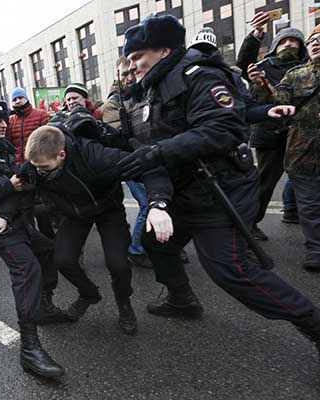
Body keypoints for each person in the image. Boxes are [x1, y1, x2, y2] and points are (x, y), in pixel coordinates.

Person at [116, 15, 320, 356]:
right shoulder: (147, 89)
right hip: (181, 191)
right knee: (156, 242)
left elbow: (221, 128)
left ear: (164, 50)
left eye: (138, 57)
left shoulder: (200, 75)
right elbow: (144, 138)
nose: (132, 65)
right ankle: (182, 299)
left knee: (232, 271)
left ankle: (312, 323)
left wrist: (155, 154)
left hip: (218, 187)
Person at [24, 125, 175, 334]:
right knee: (63, 259)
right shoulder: (35, 164)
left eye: (44, 168)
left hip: (108, 210)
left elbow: (148, 166)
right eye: (36, 167)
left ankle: (124, 303)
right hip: (75, 213)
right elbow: (18, 186)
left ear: (61, 155)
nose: (39, 172)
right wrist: (1, 216)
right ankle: (88, 294)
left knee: (119, 265)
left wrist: (158, 203)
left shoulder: (97, 155)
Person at [0, 100, 66, 378]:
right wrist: (7, 184)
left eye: (4, 120)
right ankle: (29, 348)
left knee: (47, 250)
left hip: (15, 218)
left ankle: (43, 305)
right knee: (26, 268)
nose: (3, 124)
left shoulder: (3, 149)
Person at [248, 24, 320, 271]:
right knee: (300, 197)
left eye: (295, 41)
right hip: (294, 145)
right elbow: (274, 101)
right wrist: (260, 84)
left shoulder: (296, 68)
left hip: (296, 142)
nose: (289, 45)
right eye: (313, 40)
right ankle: (316, 250)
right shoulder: (293, 74)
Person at [238, 12, 307, 238]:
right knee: (265, 183)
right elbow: (243, 63)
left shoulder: (306, 69)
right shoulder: (263, 66)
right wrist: (257, 34)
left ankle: (294, 213)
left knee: (306, 180)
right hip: (271, 135)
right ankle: (248, 223)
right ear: (275, 45)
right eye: (284, 41)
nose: (289, 44)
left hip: (302, 136)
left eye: (294, 41)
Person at [101, 57, 153, 269]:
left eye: (132, 72)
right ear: (118, 76)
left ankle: (158, 244)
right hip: (133, 162)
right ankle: (136, 249)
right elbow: (120, 137)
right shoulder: (113, 103)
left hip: (151, 158)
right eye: (124, 74)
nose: (129, 77)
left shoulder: (147, 93)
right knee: (146, 205)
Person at [7, 87, 55, 239]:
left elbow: (48, 139)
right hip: (20, 171)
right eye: (14, 99)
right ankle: (33, 240)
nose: (18, 101)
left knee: (43, 210)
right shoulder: (11, 121)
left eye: (20, 97)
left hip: (39, 168)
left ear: (26, 98)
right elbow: (8, 144)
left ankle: (49, 240)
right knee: (26, 209)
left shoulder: (41, 115)